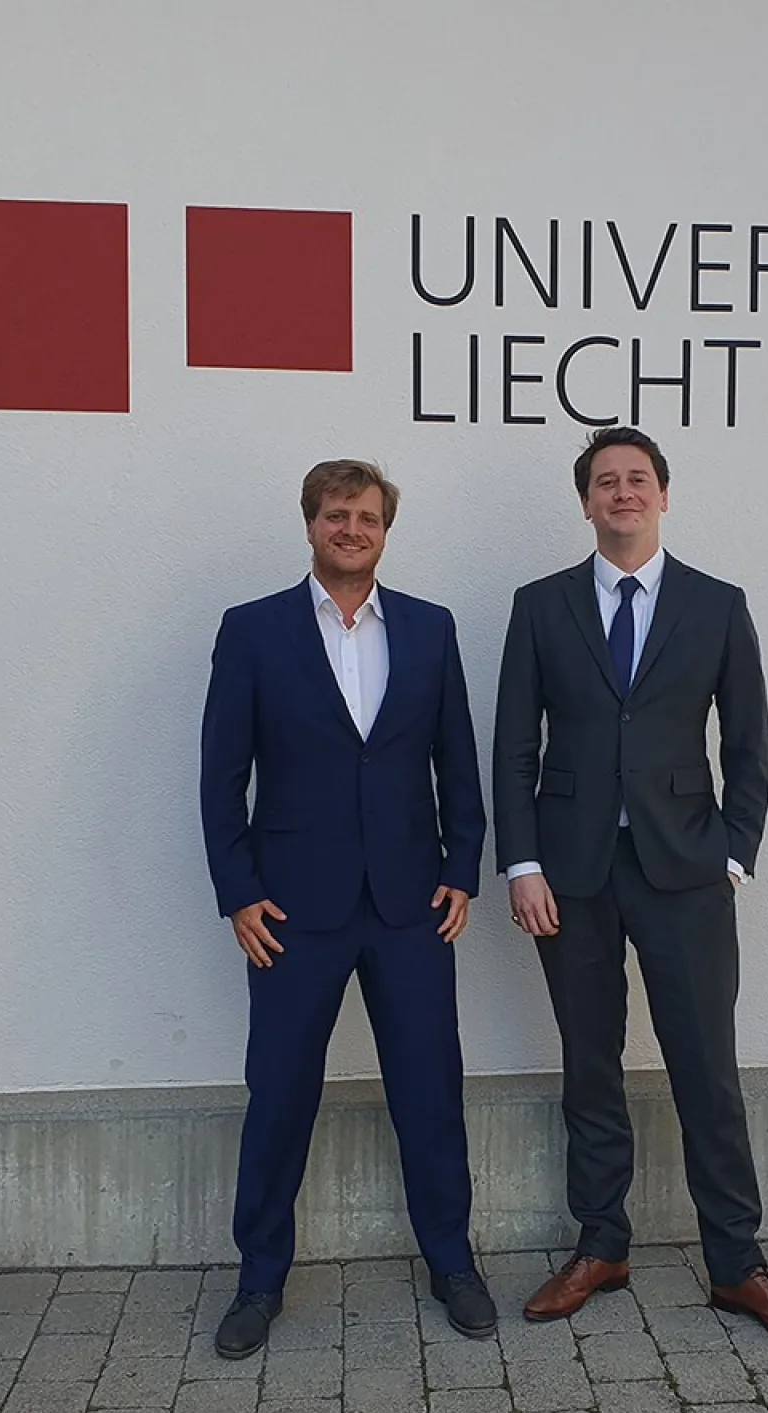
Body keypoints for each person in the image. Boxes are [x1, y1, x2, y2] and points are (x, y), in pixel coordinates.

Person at [492, 427, 768, 1345]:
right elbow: (516, 744)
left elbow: (750, 741)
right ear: (587, 502)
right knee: (589, 1065)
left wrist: (733, 852)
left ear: (664, 496)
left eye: (638, 479)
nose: (623, 493)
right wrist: (521, 864)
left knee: (706, 1071)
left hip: (686, 872)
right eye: (606, 482)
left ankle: (737, 1264)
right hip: (572, 876)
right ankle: (601, 1244)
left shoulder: (718, 606)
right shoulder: (541, 606)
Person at [200, 460, 496, 1357]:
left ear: (384, 530)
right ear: (311, 525)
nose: (352, 529)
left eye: (367, 516)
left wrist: (463, 866)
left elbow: (458, 760)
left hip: (410, 905)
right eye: (337, 515)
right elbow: (221, 776)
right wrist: (239, 891)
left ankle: (453, 1262)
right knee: (280, 1095)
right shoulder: (252, 632)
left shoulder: (430, 628)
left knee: (429, 1091)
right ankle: (259, 1281)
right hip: (291, 910)